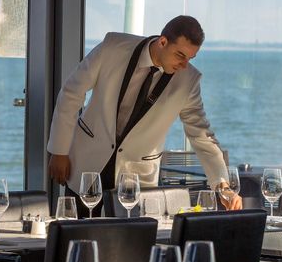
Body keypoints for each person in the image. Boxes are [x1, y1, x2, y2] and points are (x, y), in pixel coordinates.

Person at [47, 15, 242, 215]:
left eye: (190, 58)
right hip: (86, 163)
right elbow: (72, 93)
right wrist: (59, 150)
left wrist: (222, 185)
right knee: (77, 230)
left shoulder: (189, 81)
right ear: (163, 42)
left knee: (129, 235)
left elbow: (202, 135)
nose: (184, 65)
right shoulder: (112, 47)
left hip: (136, 179)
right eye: (180, 55)